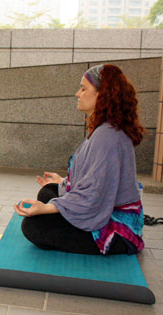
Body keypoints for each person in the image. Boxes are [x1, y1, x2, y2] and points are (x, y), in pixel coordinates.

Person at [14, 64, 145, 255]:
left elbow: (94, 195)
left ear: (102, 95)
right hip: (102, 208)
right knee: (48, 191)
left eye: (84, 89)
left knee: (34, 226)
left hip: (119, 229)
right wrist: (62, 183)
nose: (77, 93)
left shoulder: (107, 136)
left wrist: (47, 209)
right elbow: (95, 180)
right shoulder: (104, 130)